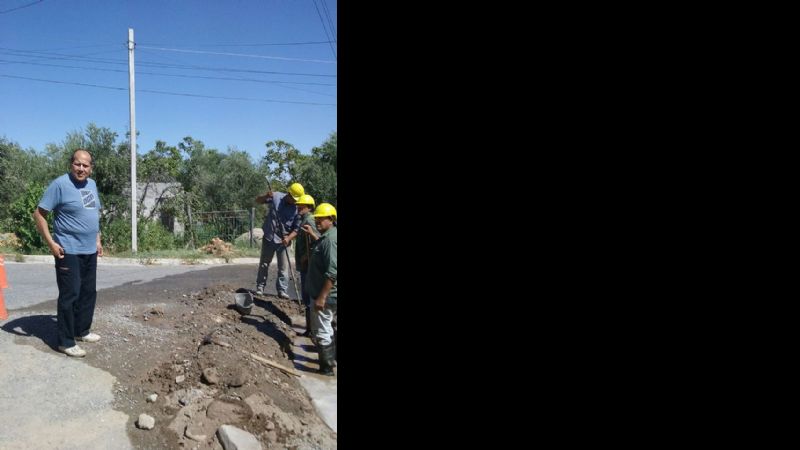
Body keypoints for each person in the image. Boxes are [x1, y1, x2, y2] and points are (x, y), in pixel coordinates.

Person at [32, 149, 103, 357]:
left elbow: (92, 213)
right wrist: (51, 243)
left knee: (88, 292)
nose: (81, 169)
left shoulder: (92, 185)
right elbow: (39, 214)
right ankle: (65, 341)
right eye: (77, 164)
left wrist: (97, 239)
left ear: (91, 168)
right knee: (70, 295)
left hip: (89, 249)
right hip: (68, 249)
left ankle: (81, 331)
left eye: (85, 165)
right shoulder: (60, 184)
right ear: (71, 164)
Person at [303, 202, 337, 376]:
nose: (317, 221)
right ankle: (331, 360)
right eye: (316, 218)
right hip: (326, 294)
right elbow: (323, 249)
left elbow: (332, 271)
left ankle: (327, 368)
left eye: (320, 219)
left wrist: (322, 297)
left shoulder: (331, 240)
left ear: (330, 219)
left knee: (323, 331)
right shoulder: (327, 237)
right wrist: (313, 235)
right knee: (330, 328)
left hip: (326, 295)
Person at [255, 182, 304, 298]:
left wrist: (289, 238)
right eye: (293, 198)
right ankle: (260, 287)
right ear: (289, 194)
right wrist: (266, 196)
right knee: (264, 264)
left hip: (284, 241)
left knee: (283, 268)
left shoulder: (297, 208)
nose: (295, 201)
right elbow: (258, 201)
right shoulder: (276, 196)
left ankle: (282, 291)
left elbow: (296, 229)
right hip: (269, 237)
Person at [294, 194, 319, 337]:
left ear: (308, 207)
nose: (298, 208)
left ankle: (313, 331)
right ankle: (310, 330)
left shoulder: (309, 220)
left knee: (309, 298)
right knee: (307, 298)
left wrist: (305, 256)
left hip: (309, 265)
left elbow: (316, 242)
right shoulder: (303, 219)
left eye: (301, 206)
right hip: (305, 265)